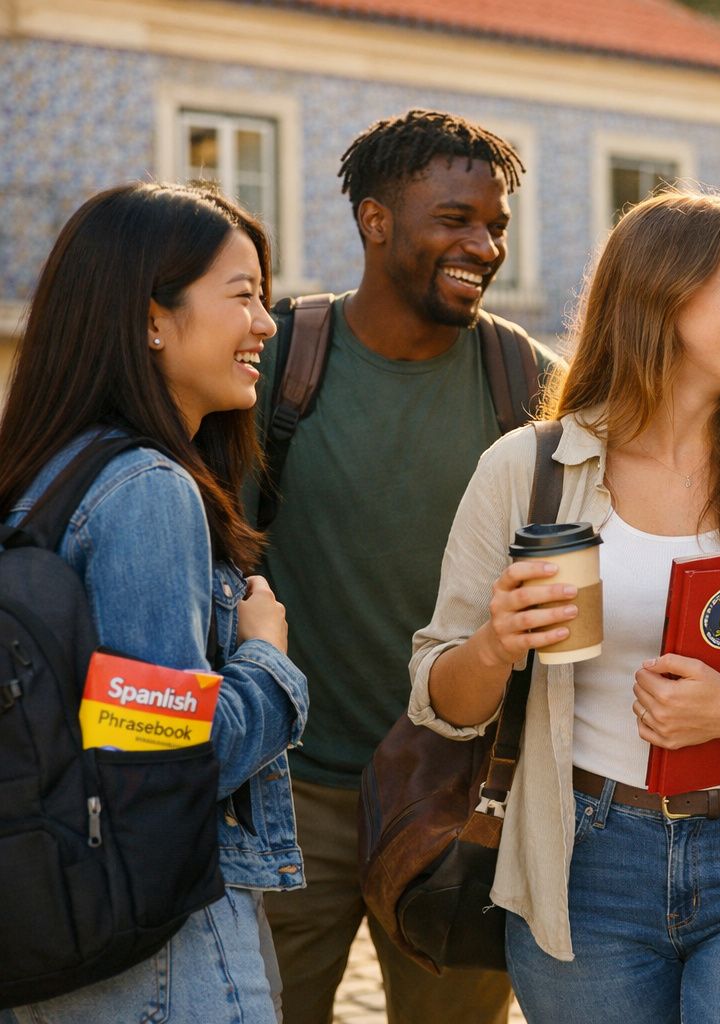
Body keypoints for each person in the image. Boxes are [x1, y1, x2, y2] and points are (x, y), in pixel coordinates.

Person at [409, 189, 720, 1023]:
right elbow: (440, 698)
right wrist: (497, 646)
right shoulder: (527, 470)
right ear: (661, 292)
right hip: (580, 863)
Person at [253, 109, 559, 1024]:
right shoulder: (278, 361)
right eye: (455, 219)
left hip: (463, 799)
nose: (483, 246)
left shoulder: (528, 382)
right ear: (375, 221)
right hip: (291, 793)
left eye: (495, 226)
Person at [0, 181, 307, 1022]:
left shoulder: (38, 482)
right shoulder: (145, 490)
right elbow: (166, 757)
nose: (266, 323)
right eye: (243, 296)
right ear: (149, 319)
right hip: (162, 964)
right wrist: (268, 658)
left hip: (46, 924)